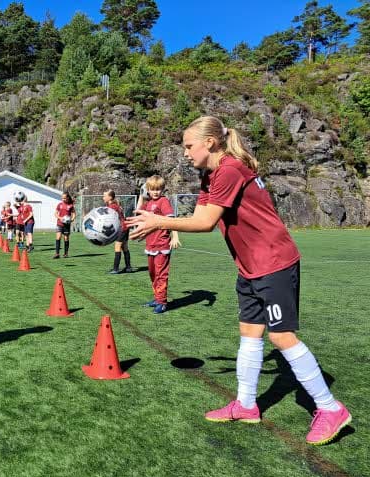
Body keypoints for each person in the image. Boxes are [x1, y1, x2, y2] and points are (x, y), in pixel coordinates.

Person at [127, 115, 351, 445]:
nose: (186, 153)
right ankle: (246, 405)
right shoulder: (211, 176)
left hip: (273, 262)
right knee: (249, 332)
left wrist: (159, 221)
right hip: (250, 266)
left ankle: (330, 408)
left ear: (210, 143)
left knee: (281, 337)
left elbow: (205, 222)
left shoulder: (229, 169)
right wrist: (160, 223)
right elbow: (200, 215)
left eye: (189, 146)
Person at [140, 176, 180, 314]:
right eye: (152, 189)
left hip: (162, 245)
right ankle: (157, 298)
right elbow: (138, 211)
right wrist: (142, 195)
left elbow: (171, 220)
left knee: (161, 274)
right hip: (150, 245)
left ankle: (162, 302)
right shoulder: (149, 202)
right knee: (152, 273)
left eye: (158, 189)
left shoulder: (163, 201)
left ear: (162, 189)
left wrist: (174, 236)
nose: (155, 192)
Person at [103, 190, 132, 274]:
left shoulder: (112, 207)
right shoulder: (115, 205)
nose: (103, 197)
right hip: (125, 227)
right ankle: (128, 267)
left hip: (122, 228)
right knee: (125, 247)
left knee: (117, 247)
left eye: (105, 196)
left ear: (110, 197)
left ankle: (115, 269)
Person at [54, 192, 75, 258]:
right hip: (59, 223)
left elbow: (74, 213)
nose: (63, 199)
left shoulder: (71, 205)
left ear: (68, 198)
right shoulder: (59, 205)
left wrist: (72, 219)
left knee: (66, 238)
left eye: (64, 198)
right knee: (58, 237)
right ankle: (57, 254)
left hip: (67, 225)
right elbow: (55, 213)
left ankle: (66, 254)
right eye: (62, 198)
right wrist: (60, 218)